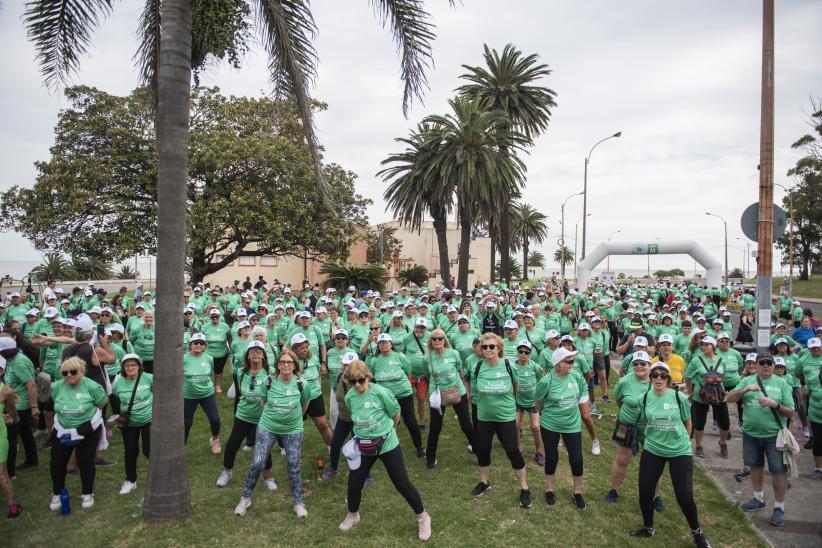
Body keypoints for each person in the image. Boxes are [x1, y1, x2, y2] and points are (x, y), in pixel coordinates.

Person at [338, 360, 432, 541]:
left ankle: (423, 517)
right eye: (352, 382)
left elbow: (395, 412)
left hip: (387, 444)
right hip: (363, 446)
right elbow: (355, 416)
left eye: (360, 380)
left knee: (401, 483)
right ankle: (353, 515)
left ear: (368, 377)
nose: (357, 385)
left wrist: (391, 430)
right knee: (355, 482)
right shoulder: (350, 397)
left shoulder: (381, 393)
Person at [631, 363, 709, 548]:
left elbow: (687, 422)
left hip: (679, 451)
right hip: (653, 449)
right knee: (645, 493)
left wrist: (683, 443)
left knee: (684, 497)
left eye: (663, 376)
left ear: (669, 379)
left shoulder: (678, 397)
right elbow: (645, 419)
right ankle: (648, 528)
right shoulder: (644, 398)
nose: (658, 379)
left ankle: (697, 533)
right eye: (655, 375)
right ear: (650, 377)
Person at [235, 348, 310, 518]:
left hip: (293, 429)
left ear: (294, 365)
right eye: (282, 362)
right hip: (268, 426)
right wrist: (274, 418)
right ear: (277, 365)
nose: (285, 365)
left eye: (289, 362)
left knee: (293, 465)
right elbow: (264, 402)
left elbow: (305, 403)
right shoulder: (268, 381)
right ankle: (245, 498)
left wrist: (294, 418)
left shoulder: (301, 384)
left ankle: (298, 502)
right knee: (257, 463)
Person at [727, 353, 795, 526]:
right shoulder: (748, 380)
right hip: (751, 434)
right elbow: (729, 398)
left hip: (774, 437)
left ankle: (779, 507)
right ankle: (758, 498)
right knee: (756, 467)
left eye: (769, 363)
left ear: (774, 366)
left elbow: (791, 412)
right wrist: (744, 390)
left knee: (778, 472)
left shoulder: (782, 383)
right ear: (756, 365)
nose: (765, 366)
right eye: (762, 363)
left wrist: (776, 405)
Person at [469, 333, 530, 508]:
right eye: (484, 347)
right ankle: (484, 481)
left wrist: (509, 404)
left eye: (491, 347)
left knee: (512, 450)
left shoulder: (508, 365)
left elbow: (515, 386)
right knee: (483, 449)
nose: (487, 350)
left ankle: (524, 488)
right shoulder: (479, 367)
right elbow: (475, 389)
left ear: (499, 349)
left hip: (505, 416)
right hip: (484, 417)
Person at [606, 351, 663, 510]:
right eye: (636, 363)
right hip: (626, 425)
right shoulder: (624, 381)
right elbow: (619, 399)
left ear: (649, 365)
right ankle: (614, 490)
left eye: (643, 363)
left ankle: (656, 496)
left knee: (654, 463)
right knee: (622, 460)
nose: (639, 366)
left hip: (651, 428)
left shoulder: (658, 381)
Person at [49, 357, 108, 511]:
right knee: (57, 462)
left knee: (85, 461)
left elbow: (102, 403)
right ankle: (57, 493)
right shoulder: (56, 387)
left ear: (81, 371)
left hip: (87, 429)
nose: (68, 375)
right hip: (61, 429)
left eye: (73, 372)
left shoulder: (92, 386)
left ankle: (87, 492)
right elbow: (54, 402)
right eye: (64, 372)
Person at [534, 346, 589, 509]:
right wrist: (547, 413)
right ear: (559, 364)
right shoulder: (546, 381)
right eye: (570, 361)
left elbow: (581, 397)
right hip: (550, 425)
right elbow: (537, 402)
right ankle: (549, 490)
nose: (573, 363)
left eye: (573, 360)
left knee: (577, 459)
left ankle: (577, 492)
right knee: (552, 457)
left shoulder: (577, 377)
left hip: (572, 425)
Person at [216, 341, 276, 489]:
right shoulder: (242, 372)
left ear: (263, 356)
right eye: (252, 351)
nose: (255, 353)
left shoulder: (271, 372)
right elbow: (240, 394)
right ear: (248, 356)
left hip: (263, 417)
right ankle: (227, 472)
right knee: (232, 445)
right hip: (243, 415)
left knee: (264, 448)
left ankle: (268, 477)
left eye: (259, 351)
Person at [367, 333, 425, 458]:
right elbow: (372, 377)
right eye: (381, 343)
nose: (384, 345)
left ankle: (419, 447)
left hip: (404, 394)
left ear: (391, 344)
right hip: (385, 397)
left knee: (410, 421)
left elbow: (408, 371)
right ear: (378, 346)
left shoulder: (400, 356)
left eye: (386, 342)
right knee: (385, 422)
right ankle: (385, 447)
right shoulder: (375, 360)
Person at [425, 328, 476, 469]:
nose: (436, 341)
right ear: (430, 341)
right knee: (435, 427)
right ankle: (430, 457)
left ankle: (478, 449)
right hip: (437, 395)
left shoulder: (454, 353)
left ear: (444, 340)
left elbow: (460, 370)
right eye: (433, 338)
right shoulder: (427, 357)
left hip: (457, 391)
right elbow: (426, 373)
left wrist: (466, 389)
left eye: (439, 338)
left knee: (466, 424)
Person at [111, 354, 153, 495]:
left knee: (148, 450)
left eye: (133, 365)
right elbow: (116, 396)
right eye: (127, 365)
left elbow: (157, 393)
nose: (130, 367)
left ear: (139, 366)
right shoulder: (118, 382)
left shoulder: (148, 378)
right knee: (130, 452)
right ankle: (130, 480)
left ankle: (157, 476)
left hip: (148, 420)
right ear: (123, 367)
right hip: (129, 423)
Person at [684, 336, 730, 458]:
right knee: (699, 422)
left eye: (707, 344)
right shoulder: (696, 360)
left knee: (725, 422)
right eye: (702, 344)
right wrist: (690, 392)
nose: (703, 346)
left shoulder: (721, 360)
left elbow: (723, 376)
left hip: (719, 394)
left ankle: (723, 442)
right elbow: (687, 376)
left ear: (713, 346)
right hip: (701, 395)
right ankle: (699, 445)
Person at [0, 335, 39, 478]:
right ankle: (32, 459)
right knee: (25, 432)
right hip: (18, 403)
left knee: (10, 438)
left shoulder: (18, 363)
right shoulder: (12, 360)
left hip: (20, 406)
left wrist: (34, 407)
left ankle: (9, 472)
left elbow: (31, 385)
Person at [290, 333, 333, 448]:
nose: (305, 350)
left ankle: (332, 449)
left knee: (323, 425)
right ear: (294, 348)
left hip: (314, 396)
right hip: (297, 399)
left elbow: (319, 374)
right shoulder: (289, 361)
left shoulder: (313, 358)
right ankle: (292, 450)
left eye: (306, 347)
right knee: (295, 428)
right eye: (301, 348)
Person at [183, 333, 221, 454]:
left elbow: (210, 373)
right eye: (196, 343)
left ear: (205, 345)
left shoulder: (209, 358)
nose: (199, 345)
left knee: (215, 420)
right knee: (186, 423)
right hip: (188, 396)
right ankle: (180, 446)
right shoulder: (183, 358)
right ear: (191, 345)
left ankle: (215, 440)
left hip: (207, 394)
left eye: (201, 343)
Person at [513, 340, 544, 465]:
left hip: (532, 402)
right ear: (518, 353)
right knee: (515, 425)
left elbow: (541, 381)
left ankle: (538, 451)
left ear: (530, 353)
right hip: (517, 401)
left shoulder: (535, 367)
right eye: (521, 351)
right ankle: (518, 448)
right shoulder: (513, 366)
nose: (523, 354)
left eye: (526, 352)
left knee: (536, 427)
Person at [0, 356, 22, 518]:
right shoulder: (5, 391)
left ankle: (12, 506)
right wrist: (12, 419)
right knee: (2, 473)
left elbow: (11, 413)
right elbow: (13, 412)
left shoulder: (5, 391)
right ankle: (12, 506)